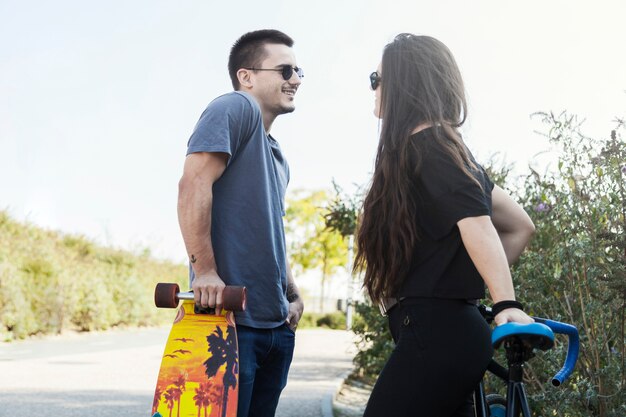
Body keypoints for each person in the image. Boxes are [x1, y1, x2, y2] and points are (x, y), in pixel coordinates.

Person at [354, 34, 536, 417]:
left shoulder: (433, 148)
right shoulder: (439, 152)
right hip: (442, 331)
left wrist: (506, 303)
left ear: (404, 83)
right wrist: (461, 283)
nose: (374, 87)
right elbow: (520, 225)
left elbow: (480, 226)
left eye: (378, 78)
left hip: (437, 332)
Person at [177, 29, 304, 417]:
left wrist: (292, 293)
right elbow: (193, 184)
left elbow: (269, 234)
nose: (295, 79)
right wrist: (206, 273)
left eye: (298, 70)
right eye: (284, 70)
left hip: (275, 329)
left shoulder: (277, 156)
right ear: (246, 76)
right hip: (230, 325)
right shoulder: (234, 107)